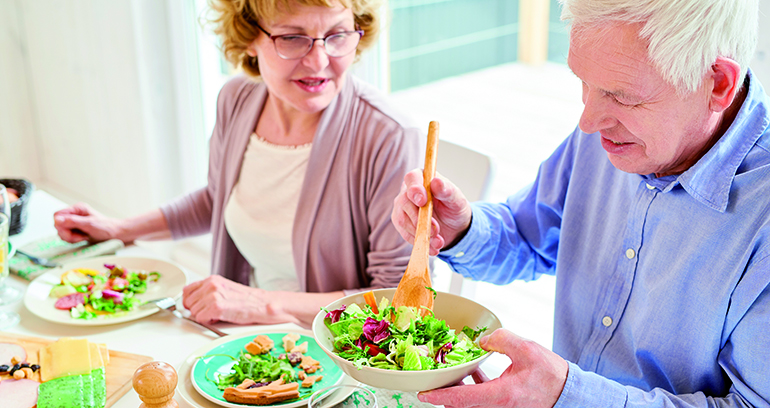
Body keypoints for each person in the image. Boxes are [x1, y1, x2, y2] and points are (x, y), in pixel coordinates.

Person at [391, 0, 769, 406]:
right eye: (583, 81)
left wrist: (567, 396)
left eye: (622, 96)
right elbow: (527, 235)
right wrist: (462, 230)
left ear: (717, 85)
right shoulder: (612, 133)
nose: (588, 122)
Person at [54, 0, 424, 328]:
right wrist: (119, 228)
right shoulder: (238, 98)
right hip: (252, 331)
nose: (319, 60)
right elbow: (220, 199)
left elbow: (395, 298)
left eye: (338, 34)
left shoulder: (387, 134)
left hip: (339, 351)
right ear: (249, 35)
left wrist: (262, 302)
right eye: (292, 38)